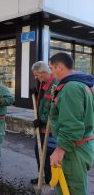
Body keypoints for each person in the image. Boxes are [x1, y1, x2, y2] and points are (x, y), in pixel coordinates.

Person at [48, 52, 94, 195]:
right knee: (67, 186)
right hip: (78, 146)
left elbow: (72, 125)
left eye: (51, 68)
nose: (51, 73)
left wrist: (59, 150)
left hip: (73, 150)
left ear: (60, 67)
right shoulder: (82, 84)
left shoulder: (71, 88)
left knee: (72, 188)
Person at [30, 61, 58, 185]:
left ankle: (50, 179)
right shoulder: (43, 83)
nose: (36, 78)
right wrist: (37, 95)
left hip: (50, 129)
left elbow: (54, 109)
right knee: (39, 152)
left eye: (37, 75)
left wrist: (42, 120)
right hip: (41, 127)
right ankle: (43, 176)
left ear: (44, 72)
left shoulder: (55, 86)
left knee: (47, 154)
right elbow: (43, 104)